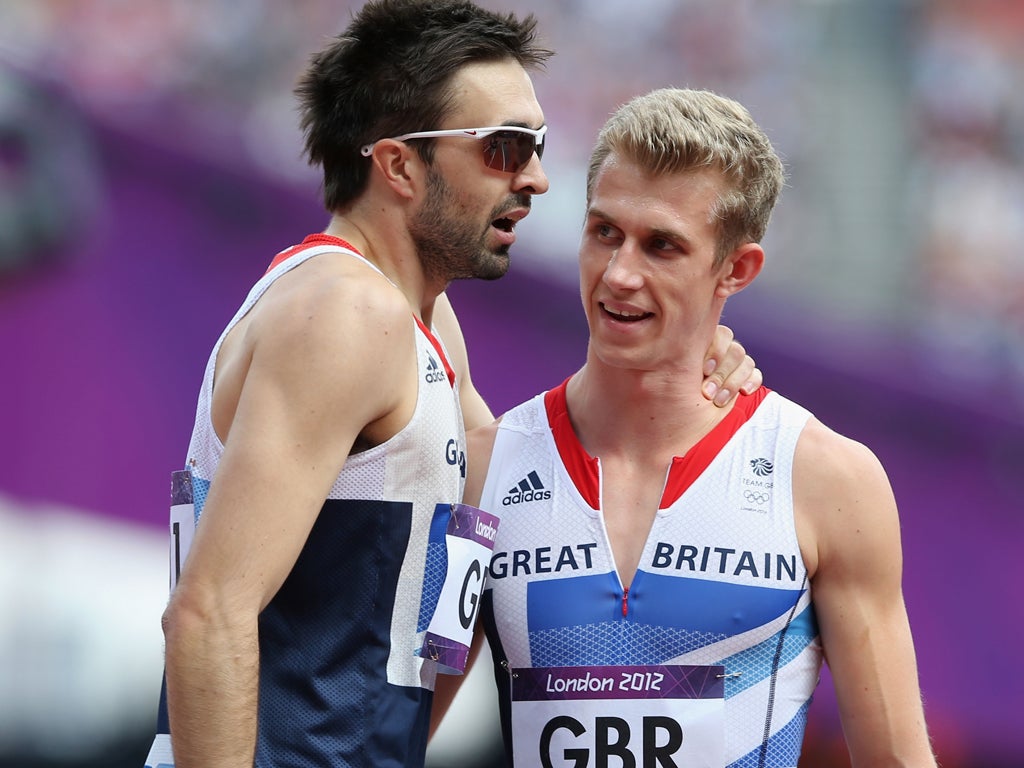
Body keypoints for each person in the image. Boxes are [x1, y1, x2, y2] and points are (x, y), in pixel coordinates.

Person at [144, 4, 762, 767]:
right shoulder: (347, 313)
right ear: (400, 166)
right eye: (503, 149)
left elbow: (517, 474)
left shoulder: (421, 324)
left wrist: (695, 352)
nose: (536, 179)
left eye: (536, 146)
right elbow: (208, 613)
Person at [443, 88, 938, 766]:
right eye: (604, 232)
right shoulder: (484, 469)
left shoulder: (827, 479)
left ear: (736, 269)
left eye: (662, 247)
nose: (619, 274)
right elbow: (397, 730)